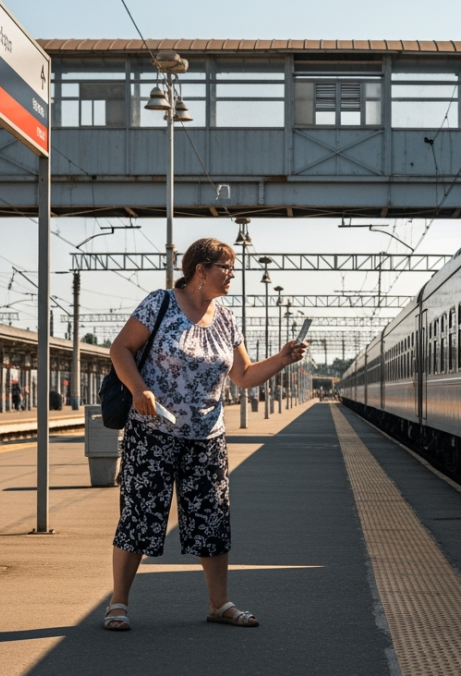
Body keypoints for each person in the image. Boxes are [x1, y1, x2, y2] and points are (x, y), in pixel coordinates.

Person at [103, 238, 308, 632]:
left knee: (212, 520)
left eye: (232, 269)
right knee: (139, 516)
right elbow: (120, 349)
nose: (232, 275)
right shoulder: (159, 303)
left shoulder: (226, 319)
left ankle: (219, 604)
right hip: (153, 432)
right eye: (226, 268)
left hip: (207, 438)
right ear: (201, 270)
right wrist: (139, 389)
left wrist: (283, 359)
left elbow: (243, 376)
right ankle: (118, 603)